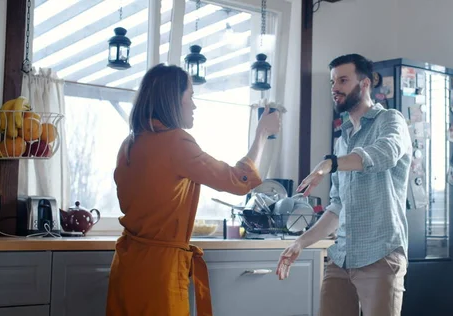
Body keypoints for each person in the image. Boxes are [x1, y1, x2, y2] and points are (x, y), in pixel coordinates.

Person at [106, 63, 280, 316]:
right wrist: (262, 134)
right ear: (174, 99)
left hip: (126, 265)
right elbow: (238, 180)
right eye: (191, 95)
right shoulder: (176, 141)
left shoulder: (130, 143)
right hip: (159, 273)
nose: (194, 105)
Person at [276, 54, 412, 316]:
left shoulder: (390, 120)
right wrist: (300, 243)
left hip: (380, 255)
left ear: (364, 84)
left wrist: (330, 164)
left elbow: (385, 152)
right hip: (341, 257)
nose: (334, 88)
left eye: (343, 80)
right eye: (332, 82)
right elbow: (338, 206)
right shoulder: (343, 138)